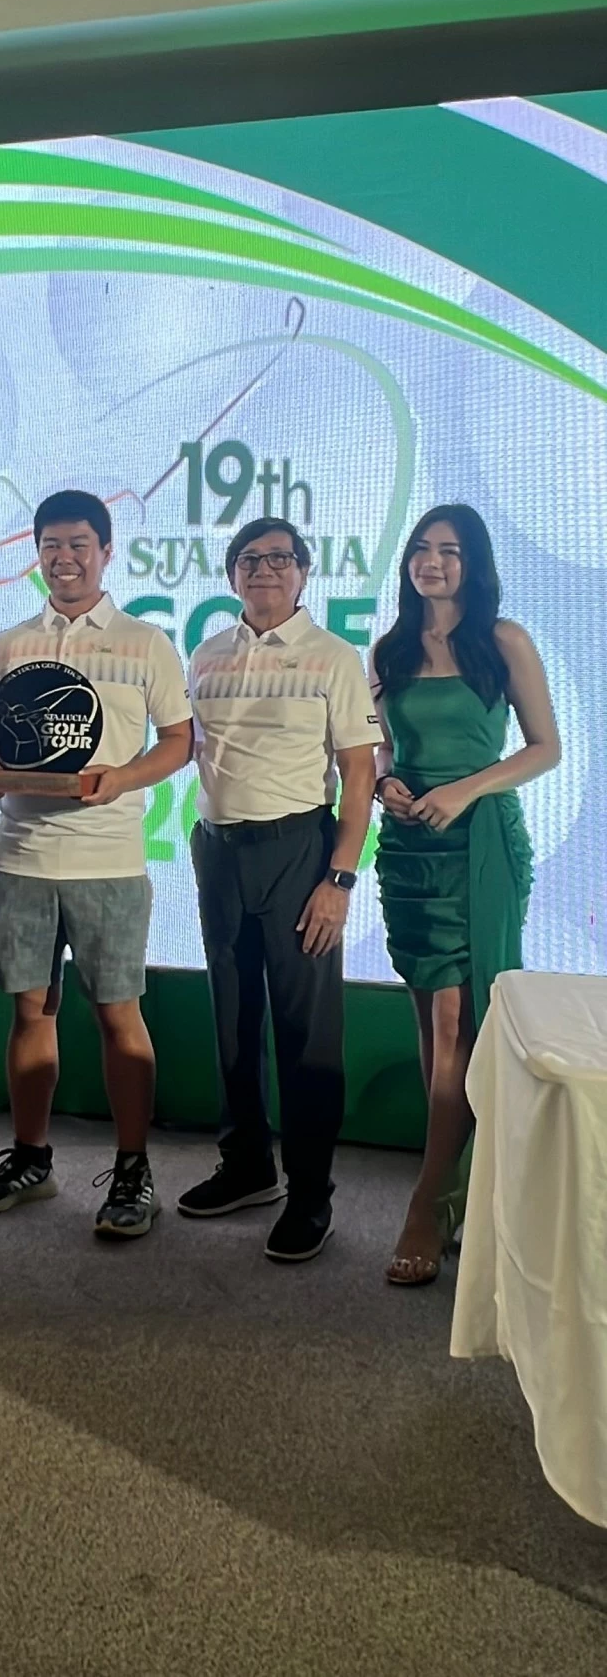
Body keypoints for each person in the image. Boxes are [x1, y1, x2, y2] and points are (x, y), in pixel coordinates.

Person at [0, 491, 193, 1237]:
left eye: (80, 545)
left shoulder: (145, 642)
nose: (65, 559)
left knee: (117, 1016)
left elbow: (180, 740)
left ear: (106, 550)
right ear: (37, 554)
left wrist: (124, 778)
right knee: (31, 1011)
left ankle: (133, 1170)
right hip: (21, 856)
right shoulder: (9, 643)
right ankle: (31, 1159)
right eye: (52, 545)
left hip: (110, 861)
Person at [182, 518, 378, 1262]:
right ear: (232, 575)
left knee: (304, 1034)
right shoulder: (207, 654)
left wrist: (339, 877)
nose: (265, 571)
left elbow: (358, 772)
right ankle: (247, 1165)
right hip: (219, 851)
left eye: (281, 560)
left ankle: (310, 1193)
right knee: (233, 1020)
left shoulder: (333, 656)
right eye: (250, 560)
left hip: (300, 850)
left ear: (304, 573)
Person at [372, 504, 559, 1287]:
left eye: (449, 551)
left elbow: (545, 748)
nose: (432, 562)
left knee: (462, 1022)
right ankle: (455, 1185)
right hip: (411, 849)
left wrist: (466, 790)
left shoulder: (504, 640)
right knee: (433, 1022)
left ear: (473, 564)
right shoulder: (387, 647)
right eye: (421, 549)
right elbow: (380, 742)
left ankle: (429, 1198)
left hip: (480, 845)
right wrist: (384, 780)